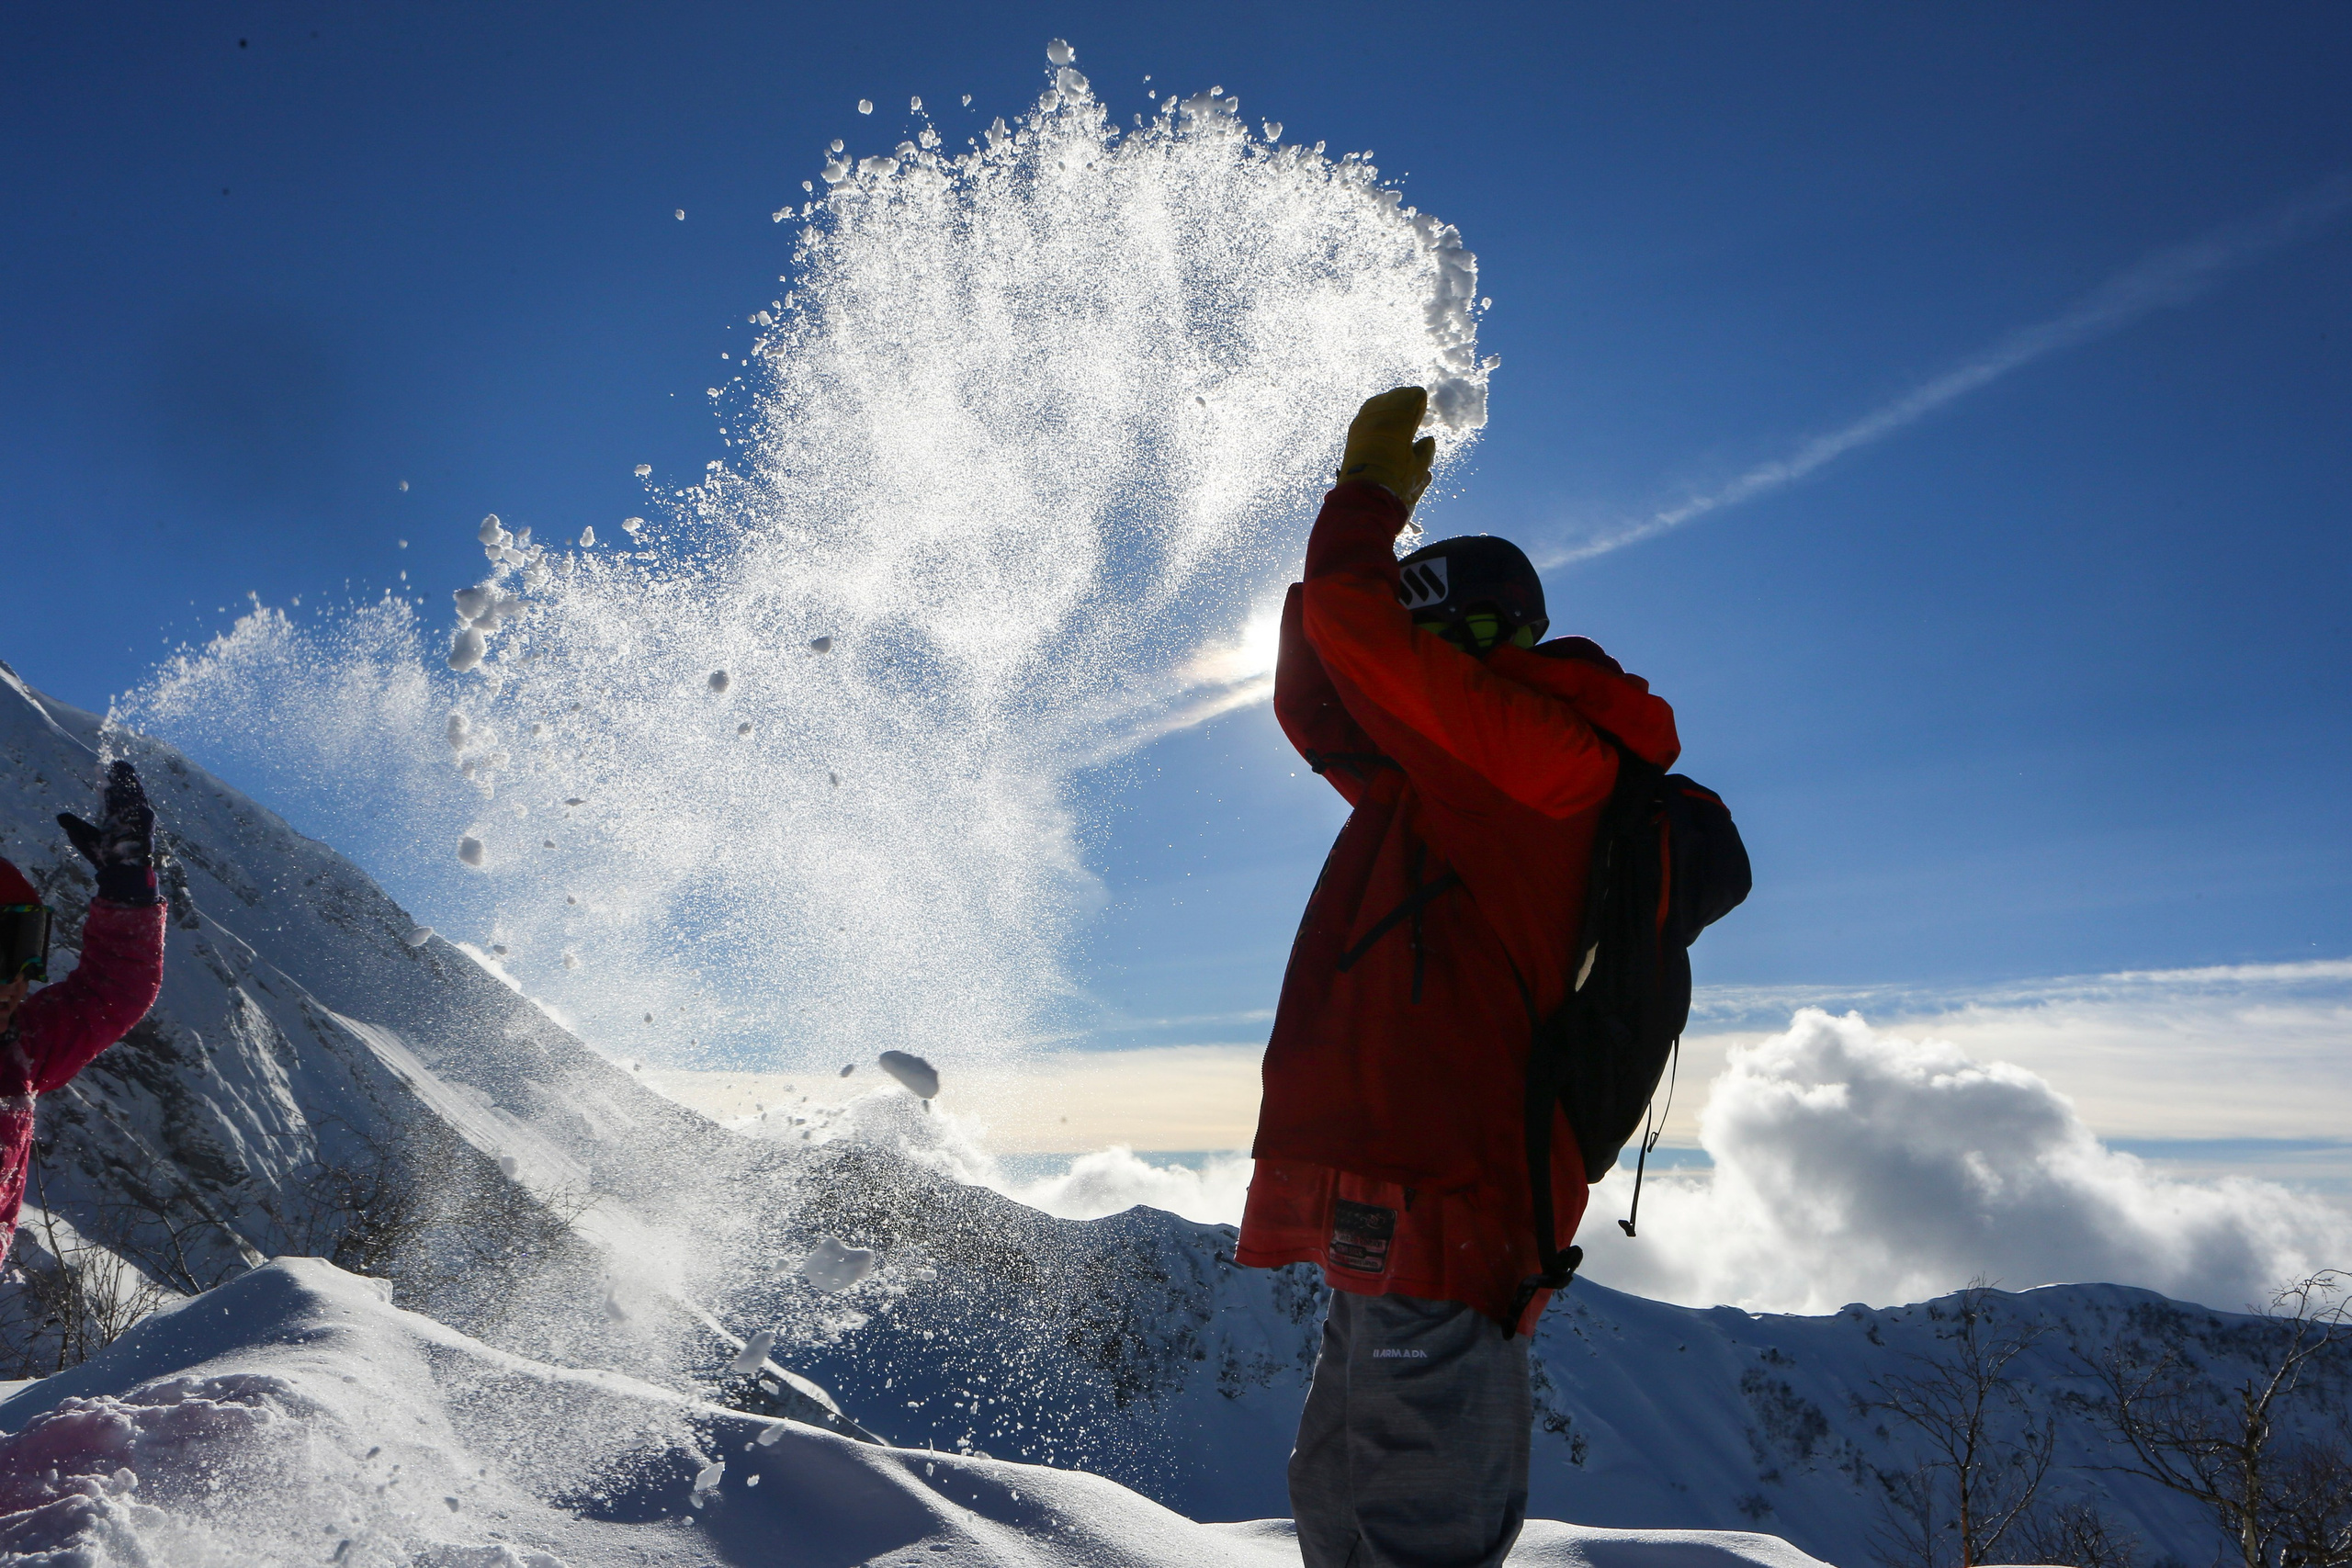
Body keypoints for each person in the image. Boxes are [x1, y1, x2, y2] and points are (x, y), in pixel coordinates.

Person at [1237, 387, 1682, 1568]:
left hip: (1454, 1185)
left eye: (1430, 642)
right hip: (1394, 1173)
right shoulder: (1432, 788)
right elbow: (1318, 705)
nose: (1408, 677)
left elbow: (1360, 649)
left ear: (1482, 638)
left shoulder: (1539, 760)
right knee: (1339, 1487)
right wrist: (1346, 568)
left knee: (1411, 1518)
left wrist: (1366, 509)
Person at [0, 761, 168, 1268]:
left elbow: (113, 990)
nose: (15, 981)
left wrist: (127, 889)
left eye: (26, 949)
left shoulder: (18, 1049)